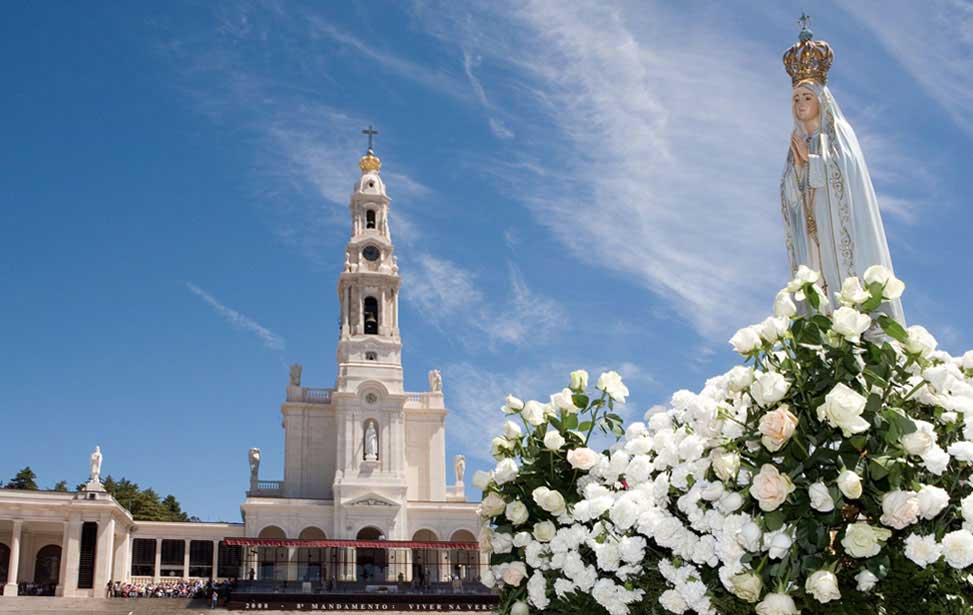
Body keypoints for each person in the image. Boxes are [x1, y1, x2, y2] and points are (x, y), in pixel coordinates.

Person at [780, 19, 905, 323]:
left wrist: (813, 165)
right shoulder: (796, 143)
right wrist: (798, 173)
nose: (800, 104)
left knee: (846, 295)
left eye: (807, 97)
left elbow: (849, 175)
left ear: (821, 101)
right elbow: (789, 198)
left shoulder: (839, 135)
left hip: (840, 236)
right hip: (812, 238)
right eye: (796, 98)